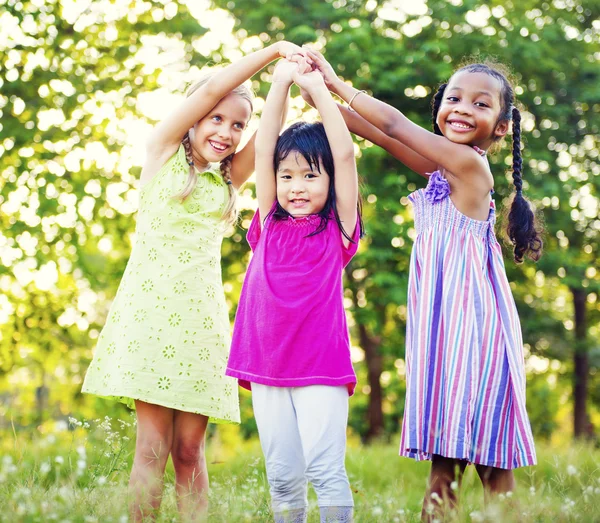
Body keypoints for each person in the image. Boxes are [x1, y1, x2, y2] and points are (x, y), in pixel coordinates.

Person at [305, 49, 541, 520]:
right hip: (444, 335)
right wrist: (319, 98)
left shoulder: (470, 167)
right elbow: (373, 131)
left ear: (500, 127)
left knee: (491, 465)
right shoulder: (442, 168)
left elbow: (393, 125)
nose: (461, 108)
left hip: (473, 332)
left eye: (480, 104)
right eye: (453, 98)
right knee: (444, 462)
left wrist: (335, 82)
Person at [82, 41, 306, 522]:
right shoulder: (162, 154)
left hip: (202, 328)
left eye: (237, 124)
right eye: (217, 119)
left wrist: (283, 80)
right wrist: (271, 52)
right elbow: (214, 89)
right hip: (151, 321)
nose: (226, 132)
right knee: (152, 450)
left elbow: (269, 139)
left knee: (189, 451)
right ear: (196, 117)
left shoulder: (228, 180)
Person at [226, 57, 362, 523]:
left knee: (325, 471)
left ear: (330, 181)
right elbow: (264, 148)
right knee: (282, 477)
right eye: (288, 176)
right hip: (265, 362)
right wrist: (280, 82)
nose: (296, 186)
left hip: (319, 365)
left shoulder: (337, 231)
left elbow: (343, 154)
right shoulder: (268, 222)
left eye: (310, 175)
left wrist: (317, 88)